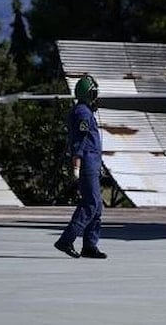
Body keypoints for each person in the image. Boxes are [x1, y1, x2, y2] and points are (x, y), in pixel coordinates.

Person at [54, 75, 107, 259]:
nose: (96, 98)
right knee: (90, 203)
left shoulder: (85, 112)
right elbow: (80, 141)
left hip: (93, 163)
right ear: (87, 94)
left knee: (97, 206)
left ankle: (90, 246)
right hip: (87, 163)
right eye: (93, 94)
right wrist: (76, 165)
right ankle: (66, 240)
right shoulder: (82, 113)